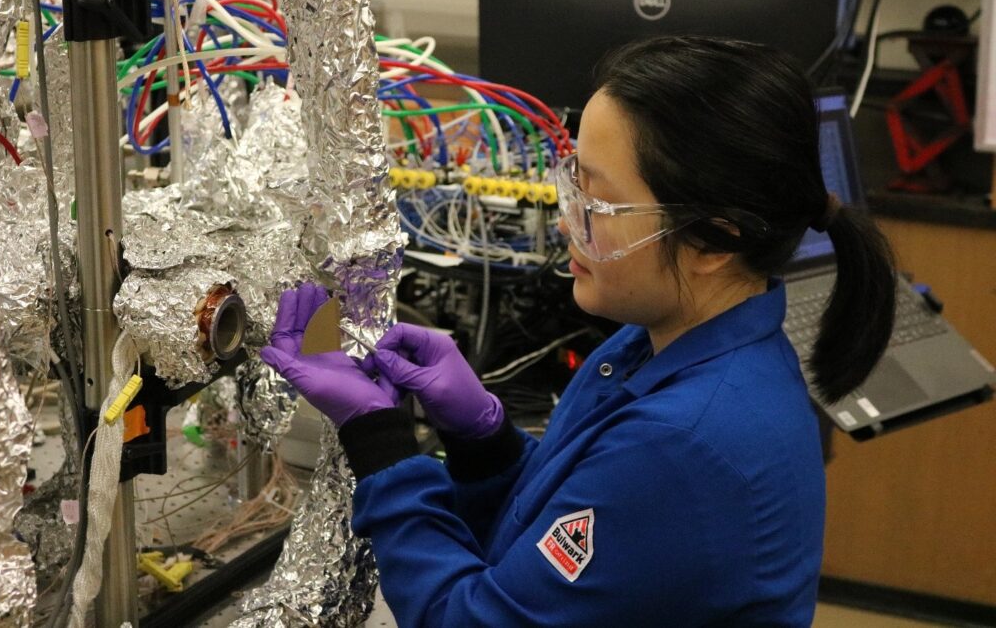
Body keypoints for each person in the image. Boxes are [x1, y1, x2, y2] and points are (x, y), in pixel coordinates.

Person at [260, 36, 897, 627]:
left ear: (712, 239)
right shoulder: (663, 342)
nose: (568, 222)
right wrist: (485, 440)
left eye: (597, 204)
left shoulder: (685, 444)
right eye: (573, 183)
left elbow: (470, 620)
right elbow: (564, 530)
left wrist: (381, 444)